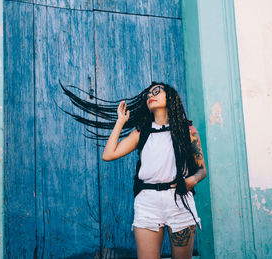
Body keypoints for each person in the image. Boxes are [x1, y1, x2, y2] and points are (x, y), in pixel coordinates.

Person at [60, 81, 207, 259]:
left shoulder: (187, 130)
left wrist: (192, 181)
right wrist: (120, 122)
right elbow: (108, 154)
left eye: (157, 91)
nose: (151, 95)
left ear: (170, 97)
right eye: (148, 94)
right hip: (148, 202)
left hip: (179, 199)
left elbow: (201, 170)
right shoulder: (141, 132)